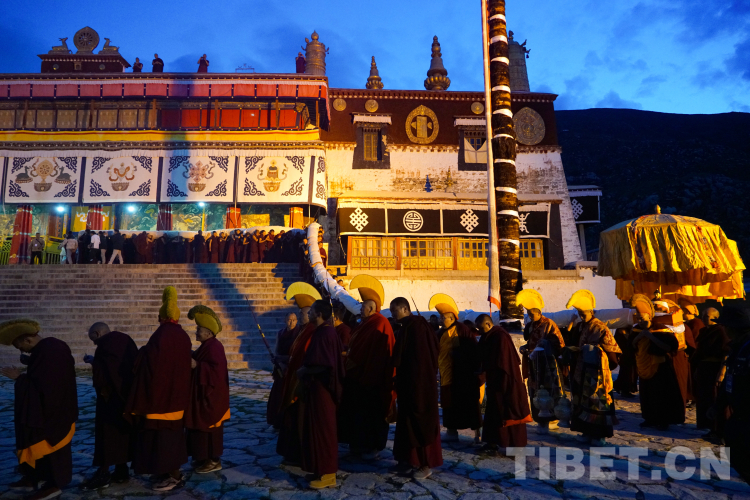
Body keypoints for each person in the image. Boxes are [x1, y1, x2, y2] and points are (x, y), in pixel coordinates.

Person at [0, 319, 78, 500]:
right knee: (34, 439)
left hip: (53, 412)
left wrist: (19, 378)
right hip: (53, 407)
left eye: (20, 346)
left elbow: (45, 387)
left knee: (49, 445)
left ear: (27, 339)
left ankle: (53, 485)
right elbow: (46, 375)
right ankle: (34, 477)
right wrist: (30, 362)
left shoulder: (49, 352)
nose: (22, 351)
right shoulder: (50, 347)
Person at [124, 287, 192, 491]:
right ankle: (166, 472)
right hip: (177, 397)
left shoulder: (161, 335)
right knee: (172, 438)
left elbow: (151, 362)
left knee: (161, 440)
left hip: (159, 399)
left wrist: (141, 353)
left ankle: (174, 476)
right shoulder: (183, 336)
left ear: (161, 317)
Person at [339, 275, 394, 460]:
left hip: (372, 378)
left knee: (372, 415)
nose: (360, 309)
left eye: (363, 306)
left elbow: (380, 353)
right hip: (356, 376)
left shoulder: (380, 323)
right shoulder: (365, 323)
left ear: (372, 309)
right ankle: (357, 444)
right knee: (357, 414)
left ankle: (373, 447)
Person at [389, 297, 442, 479]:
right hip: (408, 383)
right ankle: (406, 461)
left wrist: (415, 383)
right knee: (406, 423)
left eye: (395, 310)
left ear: (405, 309)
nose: (393, 314)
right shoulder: (408, 326)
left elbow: (420, 360)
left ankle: (424, 464)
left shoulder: (417, 328)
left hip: (419, 384)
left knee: (421, 422)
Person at [80, 322, 138, 490]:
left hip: (110, 399)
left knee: (107, 434)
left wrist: (96, 364)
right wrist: (95, 361)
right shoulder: (125, 339)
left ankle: (103, 472)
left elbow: (106, 374)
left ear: (98, 334)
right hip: (127, 395)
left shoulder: (105, 345)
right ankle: (121, 470)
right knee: (122, 433)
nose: (94, 344)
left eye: (93, 340)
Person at [297, 300, 345, 489]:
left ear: (318, 314)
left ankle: (328, 473)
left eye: (311, 312)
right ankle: (319, 469)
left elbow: (326, 364)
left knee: (324, 431)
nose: (308, 314)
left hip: (323, 389)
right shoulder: (321, 331)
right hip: (316, 389)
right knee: (315, 429)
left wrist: (305, 370)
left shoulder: (326, 333)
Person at [566, 290, 621, 445]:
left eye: (583, 313)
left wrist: (593, 351)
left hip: (597, 373)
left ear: (591, 312)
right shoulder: (581, 326)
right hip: (581, 370)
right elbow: (574, 342)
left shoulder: (600, 328)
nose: (581, 316)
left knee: (598, 404)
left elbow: (612, 352)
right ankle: (586, 432)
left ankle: (598, 436)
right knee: (582, 402)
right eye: (579, 314)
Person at [276, 283, 321, 466]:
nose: (301, 316)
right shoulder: (303, 331)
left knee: (299, 420)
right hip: (293, 378)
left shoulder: (312, 332)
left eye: (303, 314)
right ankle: (290, 453)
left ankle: (298, 454)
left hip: (301, 384)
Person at [429, 293, 482, 442]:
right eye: (440, 318)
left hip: (463, 375)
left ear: (452, 318)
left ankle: (477, 434)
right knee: (449, 404)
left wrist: (457, 354)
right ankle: (451, 432)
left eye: (443, 318)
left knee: (469, 404)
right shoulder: (441, 333)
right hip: (447, 374)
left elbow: (472, 350)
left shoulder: (462, 330)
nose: (441, 320)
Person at [630, 294, 687, 431]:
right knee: (646, 394)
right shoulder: (636, 330)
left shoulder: (661, 329)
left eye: (642, 318)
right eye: (638, 318)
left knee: (661, 395)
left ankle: (663, 421)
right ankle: (649, 418)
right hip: (644, 367)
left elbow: (669, 347)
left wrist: (650, 336)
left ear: (650, 316)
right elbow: (631, 346)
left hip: (660, 368)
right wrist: (639, 337)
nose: (640, 321)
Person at [476, 314, 531, 454]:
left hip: (506, 381)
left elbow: (504, 362)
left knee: (509, 412)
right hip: (494, 382)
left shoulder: (500, 337)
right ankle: (492, 443)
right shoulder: (487, 336)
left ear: (488, 324)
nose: (480, 332)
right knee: (493, 412)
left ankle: (515, 447)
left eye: (481, 328)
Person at [185, 305, 230, 474]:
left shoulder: (214, 347)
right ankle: (202, 457)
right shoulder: (206, 346)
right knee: (200, 429)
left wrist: (198, 365)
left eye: (199, 330)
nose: (196, 332)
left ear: (209, 333)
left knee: (210, 429)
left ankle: (213, 460)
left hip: (212, 398)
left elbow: (216, 372)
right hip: (202, 396)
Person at [516, 289, 565, 425]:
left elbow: (559, 344)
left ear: (539, 313)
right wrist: (525, 347)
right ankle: (539, 419)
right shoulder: (531, 326)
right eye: (528, 314)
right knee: (534, 390)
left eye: (532, 314)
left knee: (549, 389)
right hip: (533, 364)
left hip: (547, 365)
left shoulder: (549, 324)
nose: (530, 317)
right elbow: (531, 342)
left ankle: (552, 419)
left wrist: (544, 346)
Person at [691, 308, 729, 433]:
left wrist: (722, 372)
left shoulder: (720, 331)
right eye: (703, 316)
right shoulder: (704, 331)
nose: (703, 318)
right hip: (703, 367)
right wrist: (697, 369)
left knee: (714, 397)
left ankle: (716, 428)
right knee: (703, 397)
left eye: (707, 316)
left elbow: (726, 352)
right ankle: (705, 424)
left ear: (715, 318)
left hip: (715, 368)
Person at [267, 313, 300, 428]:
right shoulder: (281, 333)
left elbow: (296, 354)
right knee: (278, 394)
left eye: (294, 320)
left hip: (291, 367)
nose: (291, 322)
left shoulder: (298, 333)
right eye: (289, 320)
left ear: (297, 321)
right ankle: (276, 420)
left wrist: (283, 360)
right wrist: (278, 362)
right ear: (285, 320)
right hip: (280, 367)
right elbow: (277, 350)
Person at [613, 327, 639, 398]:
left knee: (626, 372)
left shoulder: (630, 330)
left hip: (629, 355)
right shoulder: (620, 332)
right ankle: (624, 390)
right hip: (625, 355)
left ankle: (619, 386)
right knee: (626, 372)